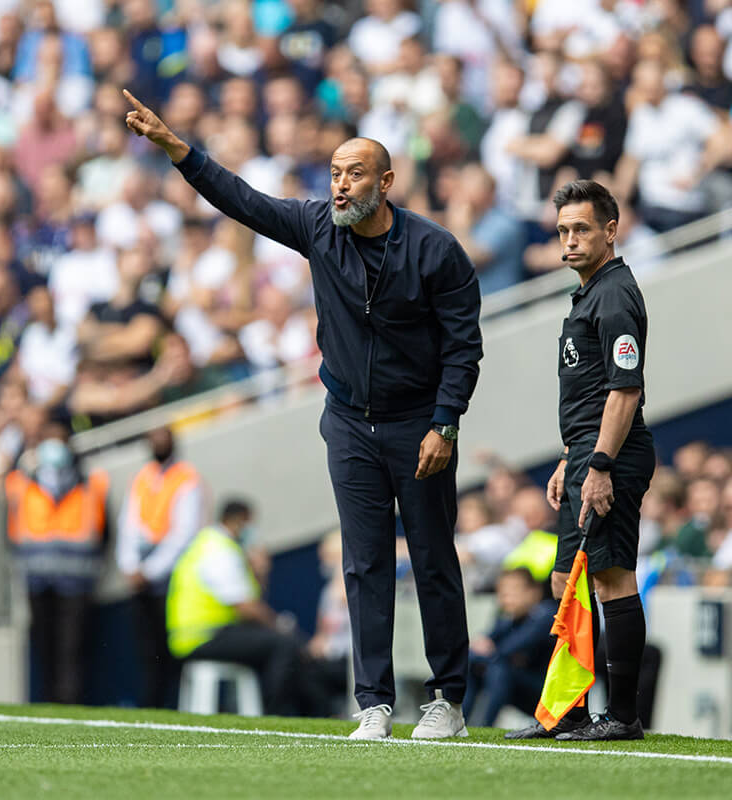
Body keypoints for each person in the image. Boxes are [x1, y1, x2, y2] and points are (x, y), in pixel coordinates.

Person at [125, 89, 483, 739]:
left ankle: (447, 700)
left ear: (386, 182)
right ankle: (372, 702)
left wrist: (445, 423)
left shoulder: (435, 251)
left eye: (354, 173)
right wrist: (178, 150)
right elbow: (243, 201)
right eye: (335, 174)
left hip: (417, 426)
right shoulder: (318, 226)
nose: (340, 185)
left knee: (432, 558)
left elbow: (465, 349)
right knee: (363, 561)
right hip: (348, 421)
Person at [507, 180, 655, 742]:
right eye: (563, 230)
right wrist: (570, 458)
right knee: (565, 580)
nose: (569, 240)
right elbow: (592, 392)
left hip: (612, 457)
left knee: (613, 579)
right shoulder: (590, 292)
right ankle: (568, 712)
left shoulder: (615, 293)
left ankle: (622, 716)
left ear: (611, 231)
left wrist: (596, 466)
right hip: (586, 454)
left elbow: (624, 391)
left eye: (582, 229)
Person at [167, 499, 335, 717]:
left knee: (277, 641)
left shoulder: (208, 545)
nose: (252, 531)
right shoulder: (220, 551)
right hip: (205, 636)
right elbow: (247, 607)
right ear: (237, 521)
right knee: (284, 645)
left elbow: (250, 599)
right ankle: (274, 714)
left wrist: (260, 571)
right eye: (249, 523)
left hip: (197, 636)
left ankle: (312, 709)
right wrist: (279, 627)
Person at [5, 429, 107, 704]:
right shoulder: (23, 482)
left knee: (71, 649)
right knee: (43, 647)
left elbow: (103, 532)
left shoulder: (89, 483)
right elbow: (12, 529)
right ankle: (45, 701)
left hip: (77, 581)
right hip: (37, 579)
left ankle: (69, 704)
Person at [117, 426, 204, 708]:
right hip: (142, 573)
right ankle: (151, 703)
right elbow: (128, 524)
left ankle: (174, 705)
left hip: (169, 576)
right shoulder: (143, 477)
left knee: (169, 649)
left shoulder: (186, 478)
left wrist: (151, 569)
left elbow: (184, 533)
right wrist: (130, 565)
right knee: (146, 649)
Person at [462, 567, 556, 727]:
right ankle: (460, 721)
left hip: (546, 692)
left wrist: (488, 652)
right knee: (472, 664)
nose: (507, 598)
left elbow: (507, 649)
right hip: (516, 683)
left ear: (534, 592)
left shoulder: (546, 614)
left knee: (499, 669)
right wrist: (479, 650)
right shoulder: (507, 617)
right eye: (503, 593)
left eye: (514, 591)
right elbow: (485, 643)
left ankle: (485, 726)